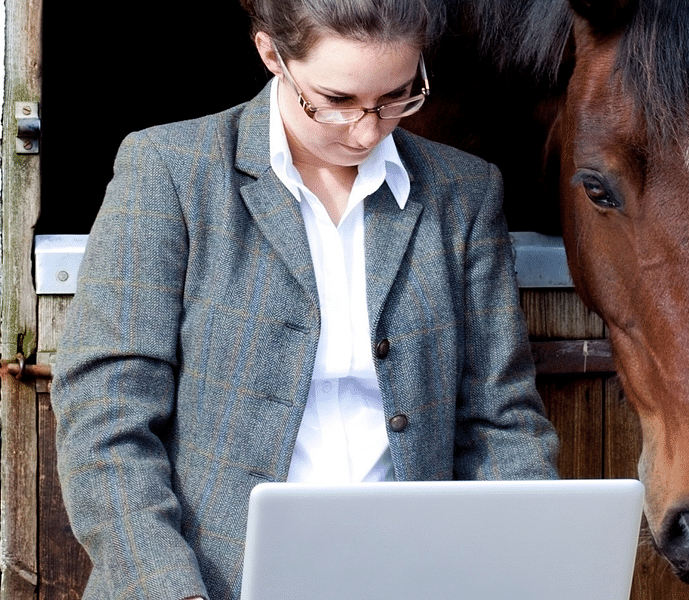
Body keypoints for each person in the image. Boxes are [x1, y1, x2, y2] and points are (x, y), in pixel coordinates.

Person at [51, 0, 559, 598]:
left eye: (398, 95)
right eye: (337, 101)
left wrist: (523, 569)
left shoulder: (465, 192)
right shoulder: (169, 171)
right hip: (212, 585)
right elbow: (105, 418)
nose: (368, 130)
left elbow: (500, 420)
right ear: (272, 55)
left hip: (414, 579)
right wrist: (168, 588)